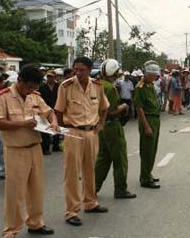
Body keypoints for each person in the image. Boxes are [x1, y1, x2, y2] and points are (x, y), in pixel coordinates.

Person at [0, 64, 58, 238]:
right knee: (15, 193)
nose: (31, 91)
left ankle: (35, 223)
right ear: (19, 80)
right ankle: (10, 232)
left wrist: (54, 121)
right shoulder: (2, 96)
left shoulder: (34, 95)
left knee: (36, 190)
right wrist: (22, 124)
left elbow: (48, 111)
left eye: (34, 88)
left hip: (35, 147)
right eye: (29, 87)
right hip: (15, 150)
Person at [55, 57, 110, 227]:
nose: (78, 73)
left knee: (90, 170)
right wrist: (65, 130)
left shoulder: (98, 86)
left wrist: (100, 124)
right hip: (73, 132)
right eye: (75, 70)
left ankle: (90, 203)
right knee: (72, 173)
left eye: (82, 70)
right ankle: (72, 211)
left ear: (89, 69)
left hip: (91, 132)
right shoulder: (66, 86)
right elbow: (58, 111)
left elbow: (104, 107)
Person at [95, 59, 137, 199]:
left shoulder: (98, 85)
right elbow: (111, 112)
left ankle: (92, 189)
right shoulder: (110, 88)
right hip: (112, 126)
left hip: (101, 127)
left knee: (103, 159)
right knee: (120, 159)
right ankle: (120, 190)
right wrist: (124, 107)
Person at [134, 61, 161, 189]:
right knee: (147, 151)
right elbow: (139, 108)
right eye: (154, 75)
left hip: (155, 119)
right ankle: (145, 179)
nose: (156, 77)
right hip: (148, 119)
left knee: (152, 149)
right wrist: (146, 126)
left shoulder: (150, 85)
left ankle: (147, 174)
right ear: (147, 74)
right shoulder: (140, 87)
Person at [39, 70, 60, 154]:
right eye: (48, 77)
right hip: (45, 110)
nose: (50, 78)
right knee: (45, 130)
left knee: (57, 128)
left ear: (55, 77)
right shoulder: (42, 87)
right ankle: (45, 148)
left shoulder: (58, 87)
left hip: (57, 109)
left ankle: (56, 146)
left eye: (51, 77)